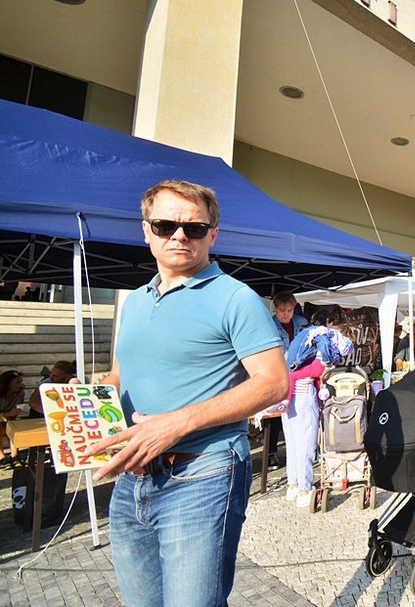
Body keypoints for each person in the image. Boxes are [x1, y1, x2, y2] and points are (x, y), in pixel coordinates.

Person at [84, 180, 288, 606]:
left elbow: (273, 383)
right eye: (164, 225)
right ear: (146, 230)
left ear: (212, 234)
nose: (178, 235)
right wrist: (94, 389)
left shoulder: (236, 298)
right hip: (132, 476)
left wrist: (178, 422)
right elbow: (123, 374)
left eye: (193, 228)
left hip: (202, 474)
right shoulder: (134, 300)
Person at [283, 311, 353, 508]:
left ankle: (294, 485)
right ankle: (305, 490)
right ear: (330, 323)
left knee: (293, 443)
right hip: (303, 395)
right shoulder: (324, 339)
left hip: (287, 394)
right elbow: (317, 369)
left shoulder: (303, 337)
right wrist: (326, 368)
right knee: (306, 443)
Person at [268, 292, 309, 468]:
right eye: (282, 310)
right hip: (279, 373)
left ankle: (301, 450)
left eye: (290, 310)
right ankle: (271, 453)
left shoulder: (301, 323)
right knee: (275, 417)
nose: (286, 314)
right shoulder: (269, 325)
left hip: (299, 372)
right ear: (276, 309)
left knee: (300, 412)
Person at [0, 370, 25, 468]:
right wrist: (7, 414)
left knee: (13, 425)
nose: (21, 384)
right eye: (17, 382)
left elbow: (17, 408)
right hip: (3, 417)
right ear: (7, 384)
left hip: (7, 419)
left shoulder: (19, 393)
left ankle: (14, 456)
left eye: (21, 381)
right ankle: (2, 458)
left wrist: (13, 413)